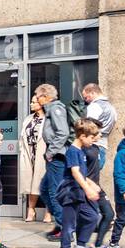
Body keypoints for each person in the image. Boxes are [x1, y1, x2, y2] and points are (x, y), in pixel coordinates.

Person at [58, 119, 105, 248]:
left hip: (79, 192)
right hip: (70, 193)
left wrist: (91, 184)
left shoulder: (81, 151)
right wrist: (88, 189)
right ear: (82, 136)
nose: (94, 140)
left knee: (92, 216)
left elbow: (82, 174)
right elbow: (75, 172)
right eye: (92, 137)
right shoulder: (73, 151)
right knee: (69, 225)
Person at [36, 83, 70, 240]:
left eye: (39, 97)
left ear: (46, 96)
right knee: (44, 189)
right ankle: (59, 225)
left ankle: (65, 229)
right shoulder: (50, 110)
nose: (37, 99)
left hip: (57, 157)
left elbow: (63, 132)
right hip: (54, 156)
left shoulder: (56, 108)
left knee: (54, 192)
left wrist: (50, 152)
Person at [82, 138, 118, 248]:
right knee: (86, 219)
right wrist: (88, 185)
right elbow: (77, 172)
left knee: (109, 214)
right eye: (98, 132)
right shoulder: (81, 149)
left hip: (97, 188)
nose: (101, 135)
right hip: (85, 188)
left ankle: (97, 246)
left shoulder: (96, 148)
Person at [19, 95, 49, 222]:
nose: (31, 104)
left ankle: (49, 212)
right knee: (31, 182)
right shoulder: (28, 119)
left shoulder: (48, 119)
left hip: (44, 154)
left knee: (45, 182)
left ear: (42, 103)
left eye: (33, 102)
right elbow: (22, 137)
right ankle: (31, 210)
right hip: (30, 153)